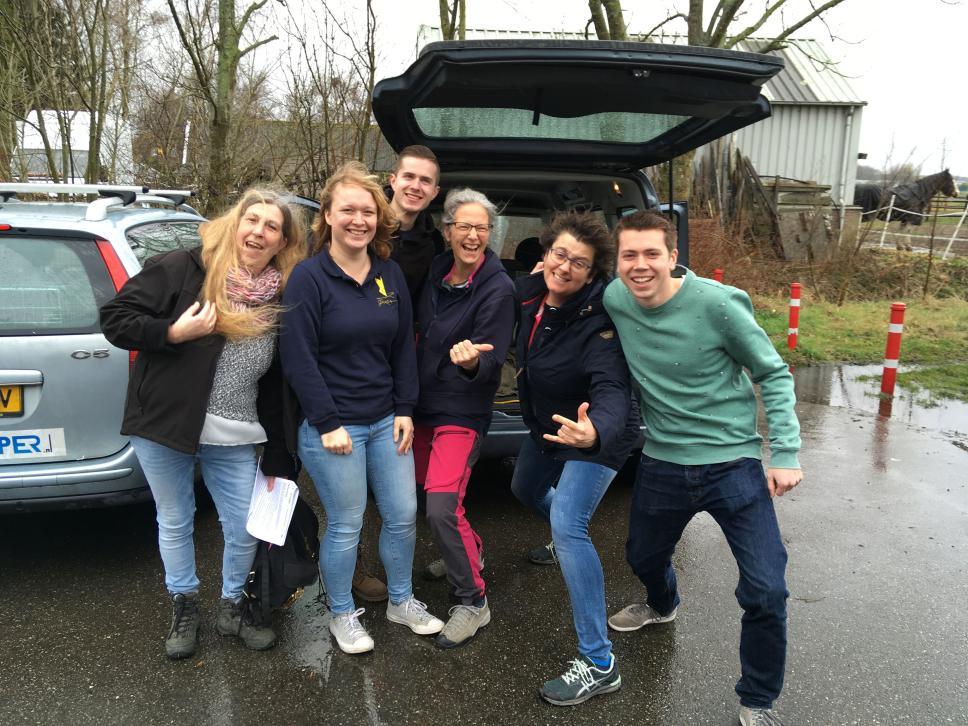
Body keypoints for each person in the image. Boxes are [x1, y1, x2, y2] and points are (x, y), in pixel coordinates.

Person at [602, 210, 803, 726]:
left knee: (766, 590)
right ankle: (662, 603)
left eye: (652, 254)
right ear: (617, 261)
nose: (640, 265)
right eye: (630, 255)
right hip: (663, 461)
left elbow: (772, 373)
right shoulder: (614, 299)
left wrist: (784, 452)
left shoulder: (718, 304)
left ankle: (757, 700)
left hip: (731, 463)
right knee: (642, 557)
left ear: (673, 257)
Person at [99, 188, 305, 660]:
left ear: (282, 242)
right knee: (175, 520)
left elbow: (276, 382)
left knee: (243, 526)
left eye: (271, 227)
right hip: (166, 424)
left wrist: (278, 444)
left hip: (235, 433)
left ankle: (233, 604)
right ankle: (184, 603)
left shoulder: (281, 296)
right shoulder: (184, 267)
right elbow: (115, 318)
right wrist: (172, 332)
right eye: (251, 220)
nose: (258, 231)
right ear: (235, 223)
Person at [279, 161, 444, 655]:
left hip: (385, 420)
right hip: (334, 428)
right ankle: (342, 613)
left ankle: (400, 601)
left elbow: (402, 350)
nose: (358, 219)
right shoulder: (309, 278)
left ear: (379, 218)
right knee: (347, 521)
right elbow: (298, 356)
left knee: (402, 514)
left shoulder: (389, 273)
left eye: (367, 211)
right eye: (347, 209)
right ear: (326, 215)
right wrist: (327, 421)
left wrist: (405, 408)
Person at [509, 211, 641, 705]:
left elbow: (610, 385)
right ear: (545, 254)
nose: (565, 267)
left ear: (591, 274)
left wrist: (595, 431)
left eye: (579, 263)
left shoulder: (598, 321)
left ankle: (600, 662)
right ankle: (566, 546)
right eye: (559, 254)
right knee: (525, 489)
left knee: (569, 524)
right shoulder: (528, 295)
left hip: (596, 434)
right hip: (549, 427)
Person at [412, 188, 515, 648]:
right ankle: (470, 552)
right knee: (434, 502)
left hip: (462, 410)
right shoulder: (437, 270)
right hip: (421, 404)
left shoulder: (497, 287)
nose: (473, 236)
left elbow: (493, 362)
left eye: (482, 228)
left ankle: (472, 600)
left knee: (440, 507)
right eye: (465, 226)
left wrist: (472, 361)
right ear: (448, 229)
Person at [387, 144, 444, 307]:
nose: (416, 186)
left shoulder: (433, 244)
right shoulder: (361, 226)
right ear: (393, 181)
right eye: (409, 176)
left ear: (435, 192)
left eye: (425, 181)